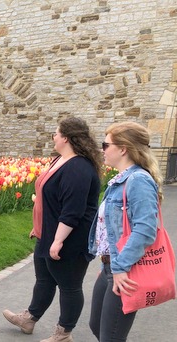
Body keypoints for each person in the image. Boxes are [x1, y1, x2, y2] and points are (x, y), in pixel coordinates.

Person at [3, 117, 102, 342]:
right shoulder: (60, 160)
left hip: (70, 239)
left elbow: (72, 210)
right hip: (48, 232)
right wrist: (38, 226)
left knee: (69, 286)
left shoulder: (78, 168)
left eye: (55, 133)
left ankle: (63, 333)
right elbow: (49, 200)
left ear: (65, 138)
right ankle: (29, 319)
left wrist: (58, 241)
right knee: (45, 279)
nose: (53, 137)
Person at [88, 121, 162, 341]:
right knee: (96, 326)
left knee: (110, 337)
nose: (102, 150)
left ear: (123, 149)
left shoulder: (138, 180)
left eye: (106, 144)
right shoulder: (122, 179)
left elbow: (146, 230)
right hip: (111, 267)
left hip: (124, 271)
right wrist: (107, 263)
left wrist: (120, 267)